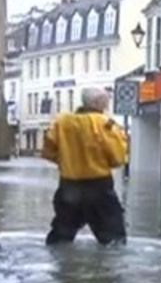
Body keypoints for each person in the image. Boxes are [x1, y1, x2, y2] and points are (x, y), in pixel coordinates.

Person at [41, 88, 128, 246]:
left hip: (68, 186)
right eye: (105, 101)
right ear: (96, 103)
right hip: (99, 187)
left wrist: (66, 160)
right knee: (114, 239)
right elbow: (118, 157)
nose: (107, 105)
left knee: (61, 236)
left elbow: (48, 151)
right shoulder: (105, 124)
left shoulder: (61, 123)